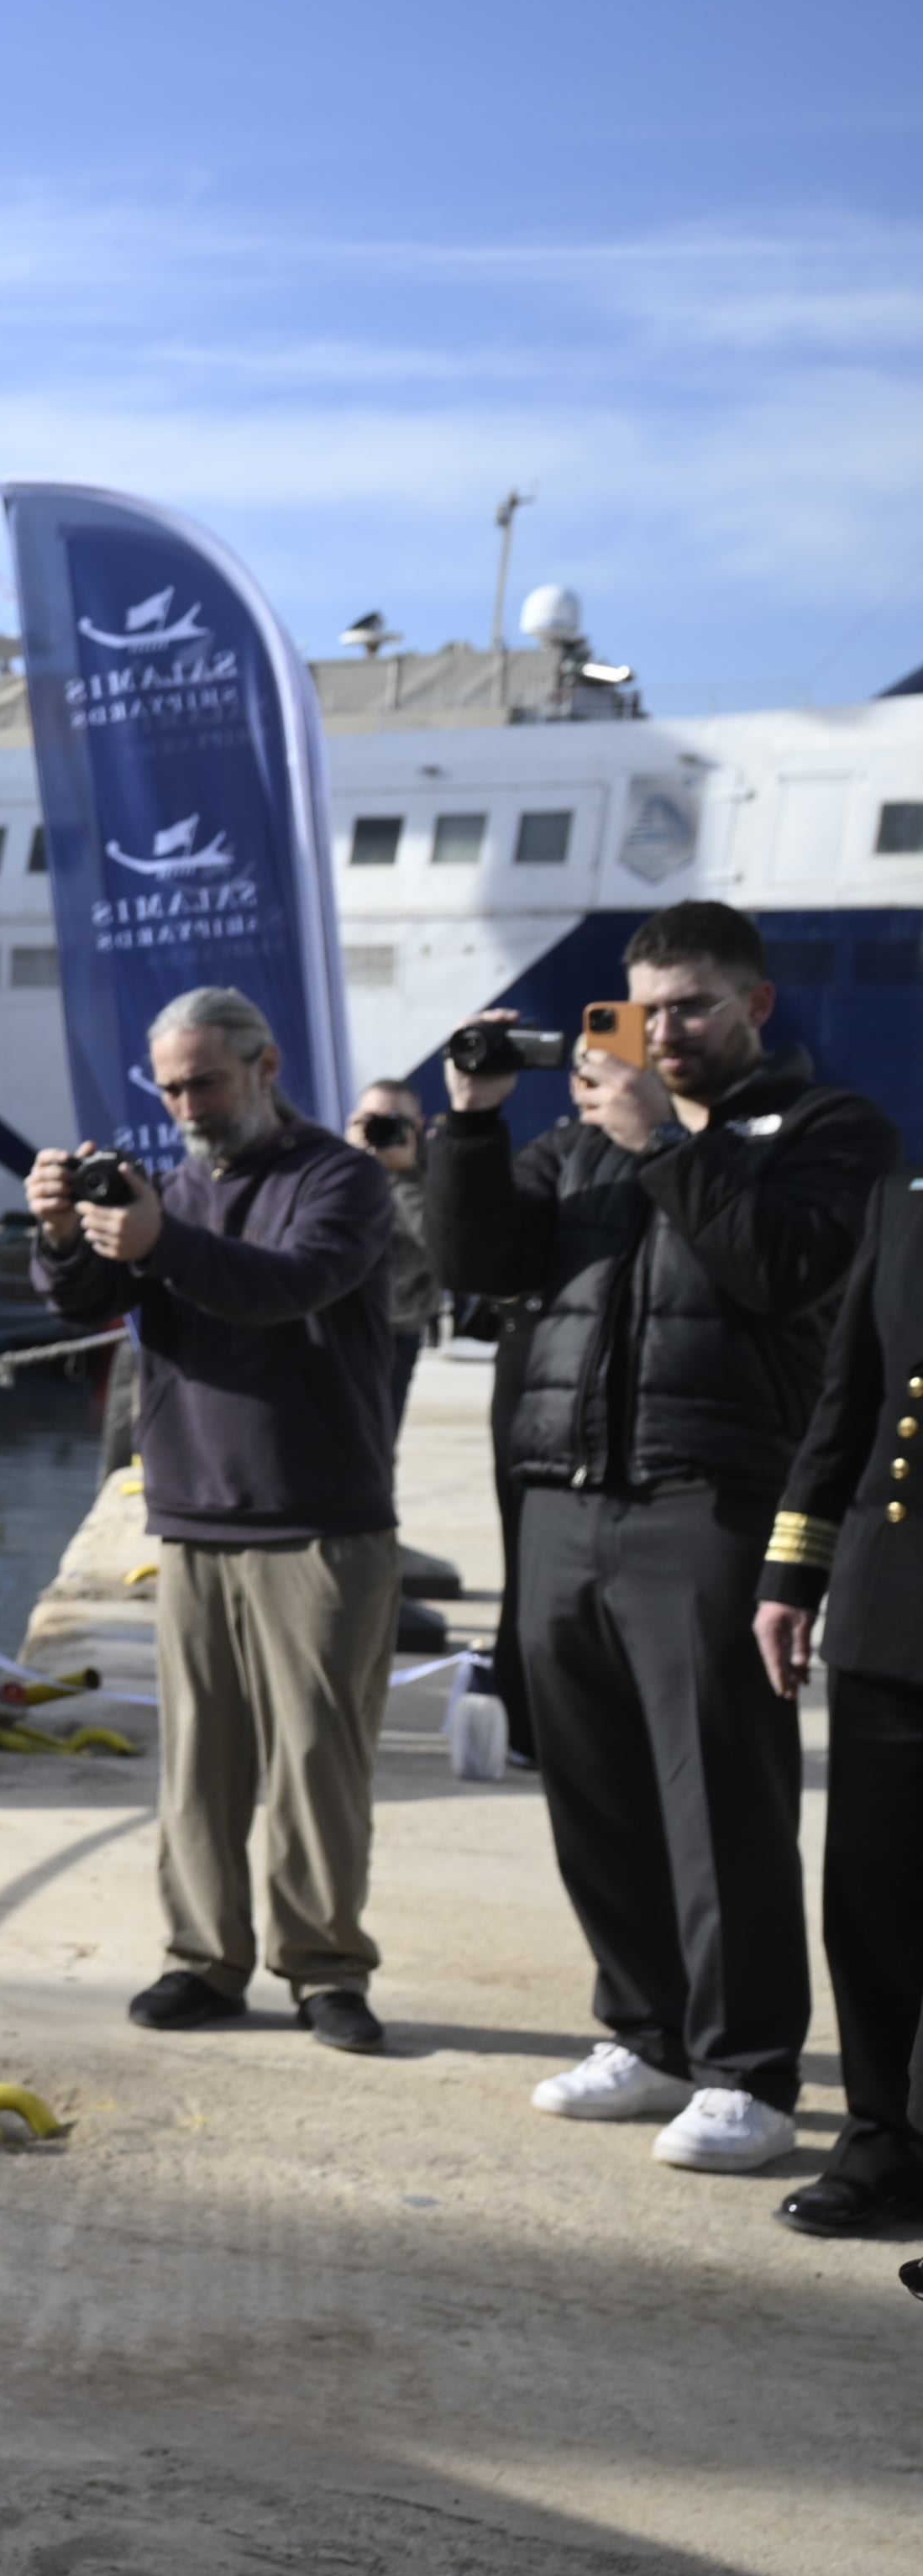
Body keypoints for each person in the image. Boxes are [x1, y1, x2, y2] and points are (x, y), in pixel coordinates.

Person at [427, 901, 893, 2176]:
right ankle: (647, 2031)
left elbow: (787, 1270)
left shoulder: (825, 1131)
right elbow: (471, 1261)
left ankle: (748, 2072)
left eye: (693, 1005)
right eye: (648, 1007)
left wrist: (664, 1145)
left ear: (756, 1006)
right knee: (594, 1789)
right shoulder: (578, 1149)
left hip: (713, 1502)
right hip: (565, 1499)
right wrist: (470, 1127)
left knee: (720, 1797)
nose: (667, 1030)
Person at [32, 988, 406, 2051]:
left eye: (204, 1080)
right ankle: (203, 1958)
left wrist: (157, 1241)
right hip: (196, 1517)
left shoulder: (339, 1179)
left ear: (265, 1065)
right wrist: (65, 1232)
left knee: (317, 1764)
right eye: (171, 1086)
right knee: (198, 1764)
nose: (186, 1103)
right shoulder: (173, 1191)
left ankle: (326, 1967)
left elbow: (283, 1287)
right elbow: (79, 1301)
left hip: (321, 1520)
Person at [750, 1167, 923, 2238]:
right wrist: (791, 1572)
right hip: (893, 1601)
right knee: (873, 1894)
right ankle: (880, 2137)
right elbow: (850, 1393)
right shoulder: (907, 1196)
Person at [350, 1078, 442, 1434]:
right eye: (370, 1118)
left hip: (396, 1328)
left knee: (376, 1444)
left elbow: (438, 1243)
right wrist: (352, 1160)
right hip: (333, 1325)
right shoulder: (333, 1168)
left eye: (393, 1119)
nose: (380, 1127)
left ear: (417, 1125)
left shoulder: (434, 1171)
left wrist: (405, 1175)